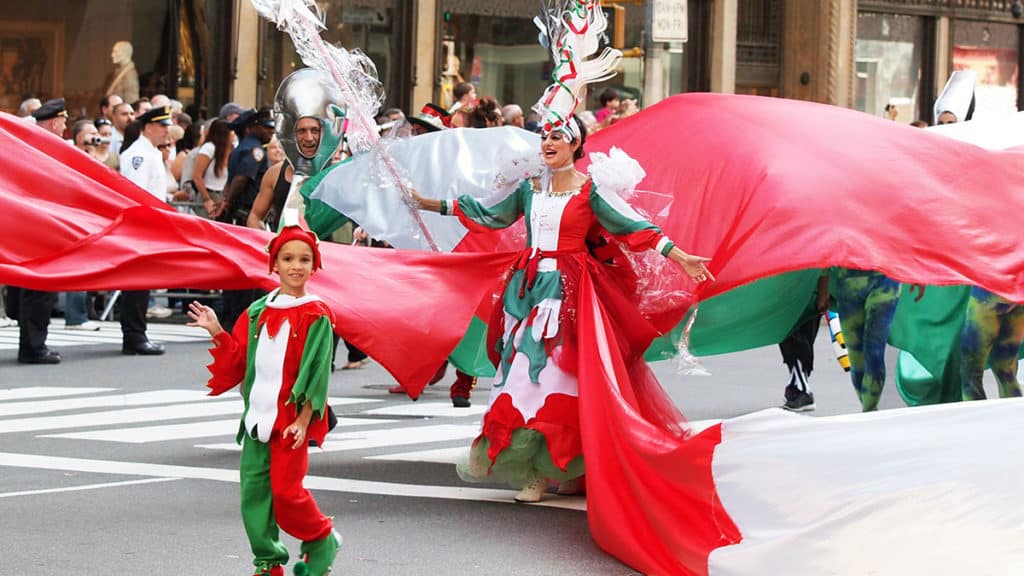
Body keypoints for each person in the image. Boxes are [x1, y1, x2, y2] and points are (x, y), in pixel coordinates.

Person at [409, 115, 713, 502]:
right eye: (544, 136)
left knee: (563, 381)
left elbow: (633, 226)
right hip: (528, 292)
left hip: (571, 295)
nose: (548, 143)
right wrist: (428, 204)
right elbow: (488, 213)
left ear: (575, 146)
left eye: (557, 137)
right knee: (522, 376)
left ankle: (563, 466)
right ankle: (536, 470)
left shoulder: (591, 192)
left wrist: (681, 256)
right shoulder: (530, 188)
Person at [187, 212, 341, 576]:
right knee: (253, 496)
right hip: (256, 420)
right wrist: (216, 331)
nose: (296, 266)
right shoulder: (257, 311)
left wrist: (305, 420)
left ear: (314, 265)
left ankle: (321, 539)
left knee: (287, 496)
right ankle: (268, 562)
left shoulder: (316, 314)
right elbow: (239, 361)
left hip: (289, 423)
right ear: (274, 263)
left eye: (304, 259)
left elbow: (317, 372)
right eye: (288, 258)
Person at [16, 98, 70, 363]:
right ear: (53, 122)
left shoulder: (32, 146)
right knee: (40, 289)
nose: (65, 126)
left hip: (37, 225)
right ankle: (33, 347)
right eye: (62, 121)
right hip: (39, 226)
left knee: (35, 289)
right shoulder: (39, 149)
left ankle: (32, 342)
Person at [118, 106, 176, 355]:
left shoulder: (149, 152)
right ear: (149, 127)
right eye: (162, 126)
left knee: (141, 283)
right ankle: (134, 335)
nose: (166, 131)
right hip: (140, 227)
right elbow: (137, 193)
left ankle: (137, 333)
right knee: (136, 284)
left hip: (149, 226)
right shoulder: (139, 154)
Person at [219, 107, 275, 333]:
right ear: (252, 128)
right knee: (249, 272)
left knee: (240, 270)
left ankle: (235, 318)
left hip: (240, 216)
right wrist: (228, 202)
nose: (270, 132)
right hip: (247, 217)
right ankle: (240, 320)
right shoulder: (255, 151)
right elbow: (241, 179)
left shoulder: (241, 148)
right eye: (266, 127)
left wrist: (225, 200)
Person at [779, 273, 829, 412]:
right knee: (790, 338)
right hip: (790, 288)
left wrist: (823, 292)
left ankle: (802, 390)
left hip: (808, 290)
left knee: (798, 339)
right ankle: (795, 386)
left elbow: (824, 260)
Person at [190, 118, 233, 218]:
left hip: (220, 195)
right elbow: (197, 176)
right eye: (231, 131)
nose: (233, 134)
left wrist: (224, 199)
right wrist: (206, 199)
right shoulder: (209, 148)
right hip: (208, 193)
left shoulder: (228, 150)